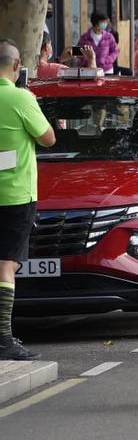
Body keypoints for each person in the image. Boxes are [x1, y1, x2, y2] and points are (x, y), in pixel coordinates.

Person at [0, 40, 56, 360]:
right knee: (5, 267)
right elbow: (48, 138)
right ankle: (4, 340)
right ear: (17, 65)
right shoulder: (22, 98)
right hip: (16, 195)